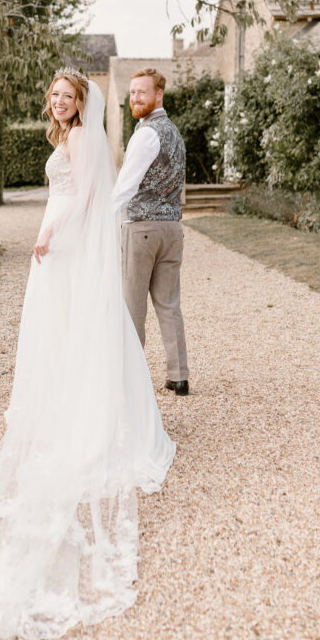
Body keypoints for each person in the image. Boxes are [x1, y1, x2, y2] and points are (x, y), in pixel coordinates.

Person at [0, 68, 175, 640]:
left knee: (76, 323)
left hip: (63, 240)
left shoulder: (83, 136)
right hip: (57, 236)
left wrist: (51, 233)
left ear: (81, 102)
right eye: (54, 95)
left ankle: (92, 410)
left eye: (67, 96)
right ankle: (63, 397)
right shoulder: (65, 135)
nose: (59, 102)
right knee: (60, 326)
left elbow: (89, 196)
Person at [112, 68, 190, 396]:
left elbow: (126, 185)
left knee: (132, 305)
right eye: (132, 93)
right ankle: (179, 375)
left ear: (159, 95)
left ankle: (131, 379)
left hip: (142, 228)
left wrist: (103, 218)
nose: (135, 98)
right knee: (169, 304)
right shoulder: (174, 132)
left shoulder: (146, 133)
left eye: (142, 92)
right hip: (172, 229)